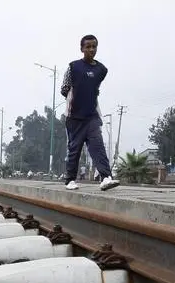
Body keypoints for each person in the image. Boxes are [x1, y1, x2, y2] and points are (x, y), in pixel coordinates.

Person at [60, 34, 119, 191]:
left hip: (92, 115)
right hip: (74, 117)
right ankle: (70, 180)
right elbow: (64, 89)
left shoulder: (101, 70)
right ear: (82, 49)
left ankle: (106, 177)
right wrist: (76, 99)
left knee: (98, 146)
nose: (91, 49)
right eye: (88, 47)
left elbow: (95, 87)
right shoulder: (73, 67)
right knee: (75, 148)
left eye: (94, 46)